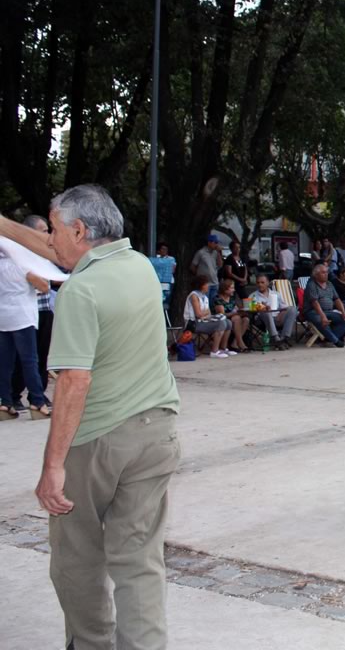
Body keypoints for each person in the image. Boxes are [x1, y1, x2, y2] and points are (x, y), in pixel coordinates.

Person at [0, 184, 181, 649]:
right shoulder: (139, 266)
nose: (50, 238)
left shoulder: (81, 290)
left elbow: (74, 383)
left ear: (79, 230)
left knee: (76, 561)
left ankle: (90, 643)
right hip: (156, 433)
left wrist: (53, 467)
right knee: (139, 562)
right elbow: (50, 249)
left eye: (55, 228)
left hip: (99, 441)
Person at [0, 238, 53, 419]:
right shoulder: (22, 267)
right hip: (23, 318)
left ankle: (5, 403)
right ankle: (37, 402)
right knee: (30, 361)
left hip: (3, 318)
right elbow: (44, 287)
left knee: (5, 364)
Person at [184, 274, 233, 357]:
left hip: (203, 321)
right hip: (193, 323)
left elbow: (208, 313)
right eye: (207, 284)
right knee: (221, 323)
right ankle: (214, 351)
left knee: (228, 322)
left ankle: (223, 348)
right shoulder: (194, 296)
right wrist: (205, 313)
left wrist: (205, 314)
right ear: (201, 285)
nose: (208, 286)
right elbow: (198, 314)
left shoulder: (205, 297)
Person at [304, 264, 345, 347]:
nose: (326, 274)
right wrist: (322, 316)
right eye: (323, 273)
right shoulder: (311, 285)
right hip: (313, 311)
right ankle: (336, 341)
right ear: (316, 275)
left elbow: (337, 299)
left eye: (326, 272)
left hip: (328, 311)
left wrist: (344, 313)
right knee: (320, 320)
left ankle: (328, 339)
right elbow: (314, 302)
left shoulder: (329, 284)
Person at [250, 273, 297, 348]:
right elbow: (251, 309)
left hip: (277, 318)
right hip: (262, 321)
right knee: (266, 312)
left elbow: (284, 307)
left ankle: (284, 338)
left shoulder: (276, 294)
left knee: (292, 309)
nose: (260, 285)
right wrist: (262, 307)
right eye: (258, 282)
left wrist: (280, 313)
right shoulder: (253, 296)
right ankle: (276, 338)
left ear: (268, 283)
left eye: (262, 282)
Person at [213, 278, 251, 352]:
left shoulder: (231, 298)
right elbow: (222, 315)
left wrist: (242, 310)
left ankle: (235, 343)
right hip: (221, 320)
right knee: (236, 318)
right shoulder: (218, 299)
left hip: (233, 318)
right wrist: (236, 313)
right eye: (232, 288)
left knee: (246, 319)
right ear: (225, 289)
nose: (234, 290)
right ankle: (240, 343)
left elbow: (236, 307)